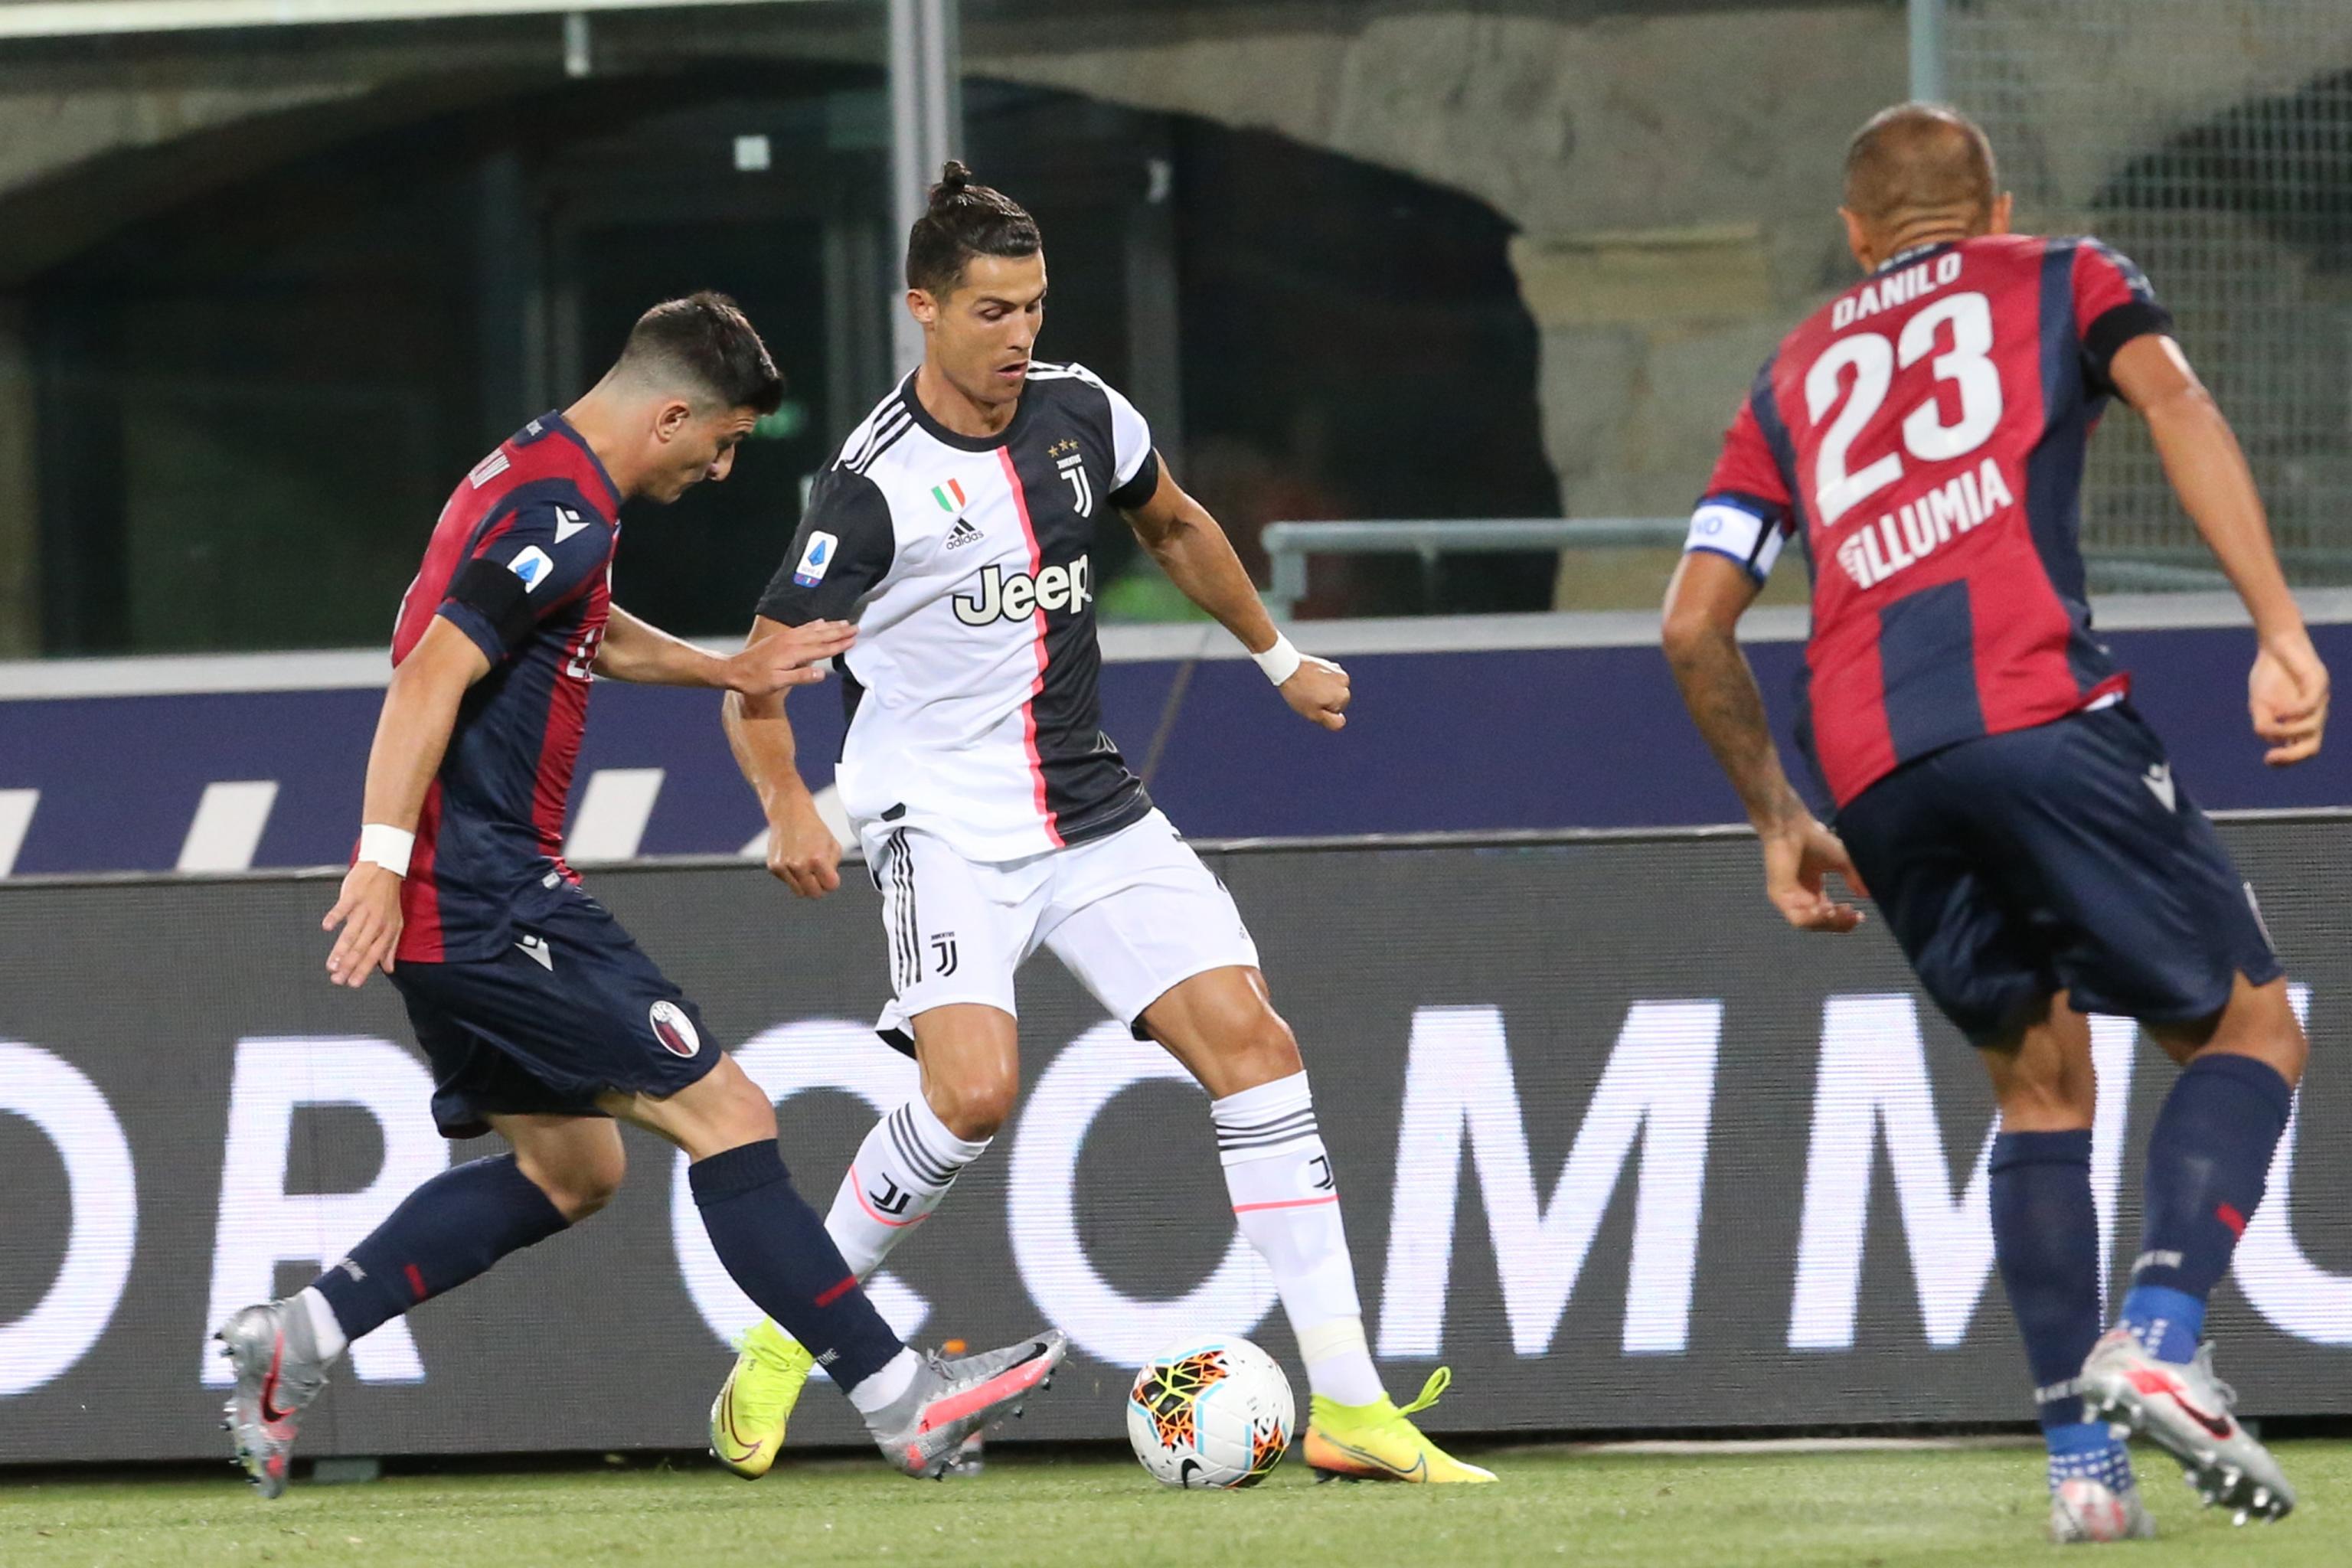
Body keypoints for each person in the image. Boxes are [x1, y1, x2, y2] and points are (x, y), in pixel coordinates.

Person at [708, 165, 1491, 1486]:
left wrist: (1278, 658)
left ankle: (1350, 1408)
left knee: (1256, 1045)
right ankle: (791, 1339)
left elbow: (1177, 526)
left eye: (1035, 306)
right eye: (993, 309)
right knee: (968, 1098)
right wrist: (790, 801)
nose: (1019, 335)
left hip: (1088, 806)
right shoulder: (874, 487)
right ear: (924, 309)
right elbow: (760, 674)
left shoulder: (1083, 414)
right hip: (940, 823)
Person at [216, 292, 1063, 1498]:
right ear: (671, 415)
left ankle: (291, 1339)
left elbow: (579, 627)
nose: (721, 469)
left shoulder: (537, 473)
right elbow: (428, 678)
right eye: (720, 443)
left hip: (456, 901)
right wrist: (382, 856)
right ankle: (900, 1400)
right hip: (486, 892)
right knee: (727, 1112)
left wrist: (726, 668)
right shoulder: (563, 509)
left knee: (575, 1172)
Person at [1664, 104, 2327, 1540]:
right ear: (1997, 205)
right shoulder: (2065, 274)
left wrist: (1780, 814)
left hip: (1874, 764)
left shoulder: (1790, 374)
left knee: (2039, 1087)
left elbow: (1694, 624)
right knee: (2250, 1029)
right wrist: (2277, 625)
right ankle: (2158, 1331)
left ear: (1855, 235)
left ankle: (2083, 1481)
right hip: (2036, 709)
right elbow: (2179, 407)